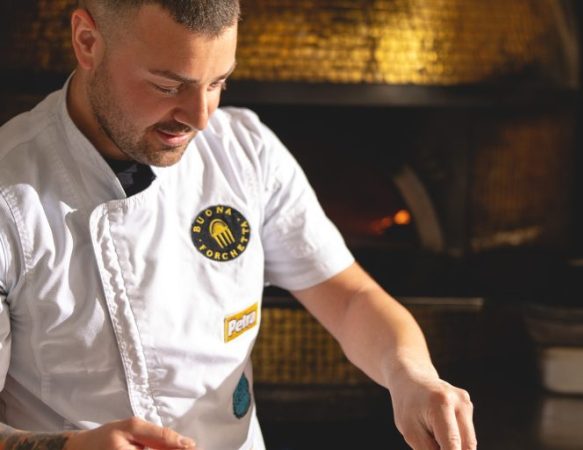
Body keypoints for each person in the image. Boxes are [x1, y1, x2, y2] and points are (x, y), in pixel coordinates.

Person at [0, 1, 477, 449]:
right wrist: (67, 447)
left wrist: (411, 376)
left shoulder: (246, 153)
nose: (200, 118)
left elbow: (351, 299)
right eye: (167, 86)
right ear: (87, 41)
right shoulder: (10, 198)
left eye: (217, 83)